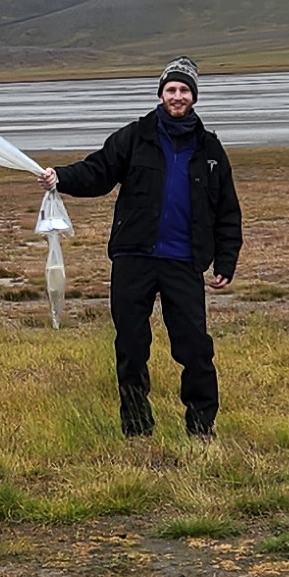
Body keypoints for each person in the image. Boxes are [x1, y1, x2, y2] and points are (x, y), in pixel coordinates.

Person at [41, 58, 241, 442]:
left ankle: (201, 428)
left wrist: (226, 260)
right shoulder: (134, 137)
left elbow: (227, 210)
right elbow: (97, 172)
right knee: (131, 347)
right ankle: (136, 428)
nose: (177, 96)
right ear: (161, 94)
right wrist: (61, 177)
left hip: (184, 261)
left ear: (194, 96)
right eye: (171, 90)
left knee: (195, 348)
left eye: (184, 90)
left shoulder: (210, 149)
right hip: (134, 258)